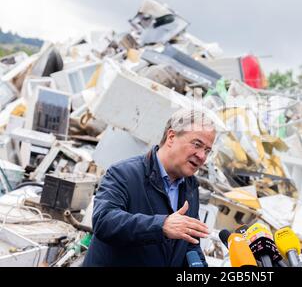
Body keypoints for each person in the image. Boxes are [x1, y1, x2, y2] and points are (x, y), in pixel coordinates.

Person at [83, 109, 216, 267]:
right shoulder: (124, 173)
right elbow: (103, 221)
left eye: (207, 150)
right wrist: (161, 225)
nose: (202, 156)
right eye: (197, 144)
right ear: (171, 137)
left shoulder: (190, 186)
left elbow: (189, 242)